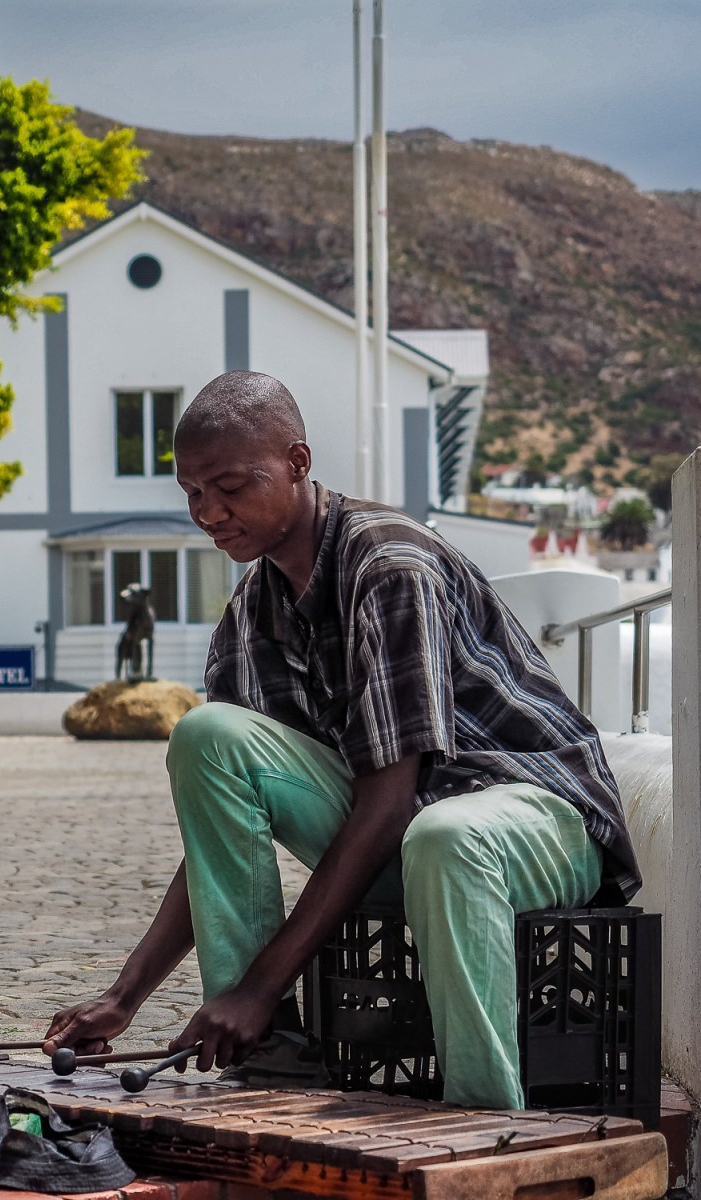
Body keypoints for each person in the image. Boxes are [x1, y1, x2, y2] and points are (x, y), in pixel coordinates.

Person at [44, 370, 641, 1108]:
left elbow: (389, 802)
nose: (209, 511)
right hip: (413, 835)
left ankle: (482, 1123)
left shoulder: (390, 565)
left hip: (533, 822)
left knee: (447, 837)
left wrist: (266, 982)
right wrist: (124, 995)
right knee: (207, 735)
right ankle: (267, 1050)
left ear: (298, 462)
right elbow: (218, 832)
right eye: (193, 493)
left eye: (230, 485)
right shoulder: (252, 610)